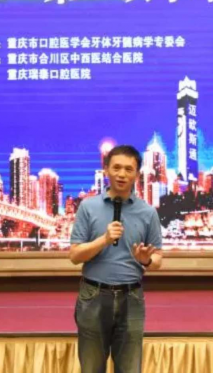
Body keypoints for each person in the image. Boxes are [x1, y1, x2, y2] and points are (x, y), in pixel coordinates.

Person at [69, 145, 163, 373]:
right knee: (91, 368)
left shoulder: (148, 212)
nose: (122, 174)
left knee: (130, 368)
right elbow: (75, 256)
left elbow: (158, 259)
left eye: (129, 169)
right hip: (93, 296)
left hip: (131, 297)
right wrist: (104, 239)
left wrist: (146, 260)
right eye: (116, 168)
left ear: (137, 175)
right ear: (106, 170)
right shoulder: (88, 207)